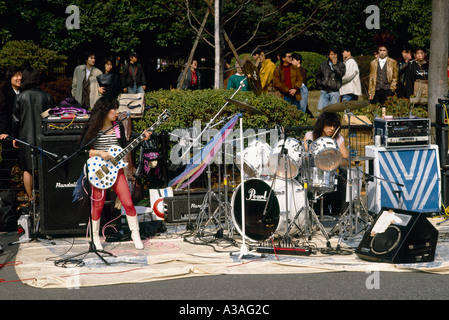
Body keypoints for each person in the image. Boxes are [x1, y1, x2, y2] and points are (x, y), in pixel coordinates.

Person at [78, 96, 151, 250]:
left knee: (128, 203)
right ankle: (95, 238)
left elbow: (126, 145)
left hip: (117, 170)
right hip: (99, 171)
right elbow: (81, 150)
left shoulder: (118, 127)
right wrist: (99, 153)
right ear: (105, 110)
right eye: (114, 109)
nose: (117, 112)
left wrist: (141, 138)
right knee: (97, 205)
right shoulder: (93, 128)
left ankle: (135, 235)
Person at [6, 68, 54, 205]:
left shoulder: (20, 97)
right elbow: (50, 120)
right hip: (43, 137)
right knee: (45, 168)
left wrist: (14, 137)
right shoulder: (47, 96)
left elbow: (16, 120)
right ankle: (46, 198)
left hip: (25, 138)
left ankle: (30, 198)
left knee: (27, 169)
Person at [303, 112, 349, 216]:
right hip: (314, 173)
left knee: (344, 178)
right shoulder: (310, 135)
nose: (332, 129)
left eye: (334, 126)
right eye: (329, 125)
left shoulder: (338, 138)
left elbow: (346, 160)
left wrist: (335, 158)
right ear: (322, 125)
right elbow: (305, 156)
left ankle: (340, 213)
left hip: (331, 173)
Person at [0, 66, 22, 190]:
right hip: (8, 133)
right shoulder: (5, 92)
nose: (19, 78)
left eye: (20, 75)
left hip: (21, 132)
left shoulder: (22, 91)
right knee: (7, 162)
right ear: (10, 78)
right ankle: (5, 189)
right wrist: (4, 132)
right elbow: (3, 113)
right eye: (16, 76)